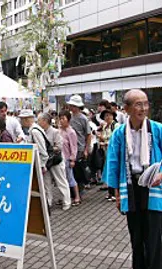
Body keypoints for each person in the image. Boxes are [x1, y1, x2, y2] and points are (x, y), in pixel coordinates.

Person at [103, 89, 162, 269]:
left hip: (153, 185)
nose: (143, 108)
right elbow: (113, 163)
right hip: (130, 187)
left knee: (154, 237)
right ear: (126, 108)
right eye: (138, 104)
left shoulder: (157, 129)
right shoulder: (119, 134)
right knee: (136, 237)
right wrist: (117, 194)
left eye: (145, 104)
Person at [38, 113, 71, 210]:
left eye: (39, 120)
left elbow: (59, 146)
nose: (38, 122)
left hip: (55, 161)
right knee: (46, 182)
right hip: (46, 161)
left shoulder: (55, 132)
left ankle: (66, 202)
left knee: (61, 181)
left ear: (45, 121)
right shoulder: (40, 131)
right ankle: (48, 202)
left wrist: (48, 149)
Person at [67, 95, 92, 188]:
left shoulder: (83, 118)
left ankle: (80, 190)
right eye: (71, 105)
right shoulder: (68, 117)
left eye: (73, 106)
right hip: (69, 147)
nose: (71, 107)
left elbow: (88, 134)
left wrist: (86, 149)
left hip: (80, 147)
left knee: (78, 170)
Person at [59, 110, 81, 206]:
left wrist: (72, 159)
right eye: (60, 118)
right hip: (60, 159)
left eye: (63, 118)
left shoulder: (71, 132)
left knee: (70, 178)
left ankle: (77, 197)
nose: (61, 120)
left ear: (68, 119)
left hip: (68, 159)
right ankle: (65, 197)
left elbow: (74, 147)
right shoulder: (59, 130)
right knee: (62, 179)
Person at [18, 110, 49, 176]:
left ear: (26, 119)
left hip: (39, 165)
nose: (20, 122)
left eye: (21, 119)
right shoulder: (32, 130)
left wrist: (41, 166)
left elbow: (43, 151)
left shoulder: (35, 131)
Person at [99, 109, 120, 202]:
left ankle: (115, 193)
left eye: (109, 115)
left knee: (114, 171)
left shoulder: (116, 125)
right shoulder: (104, 127)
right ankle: (110, 192)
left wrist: (106, 143)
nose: (107, 117)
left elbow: (116, 139)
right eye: (105, 116)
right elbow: (104, 137)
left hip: (114, 152)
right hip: (106, 152)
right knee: (108, 171)